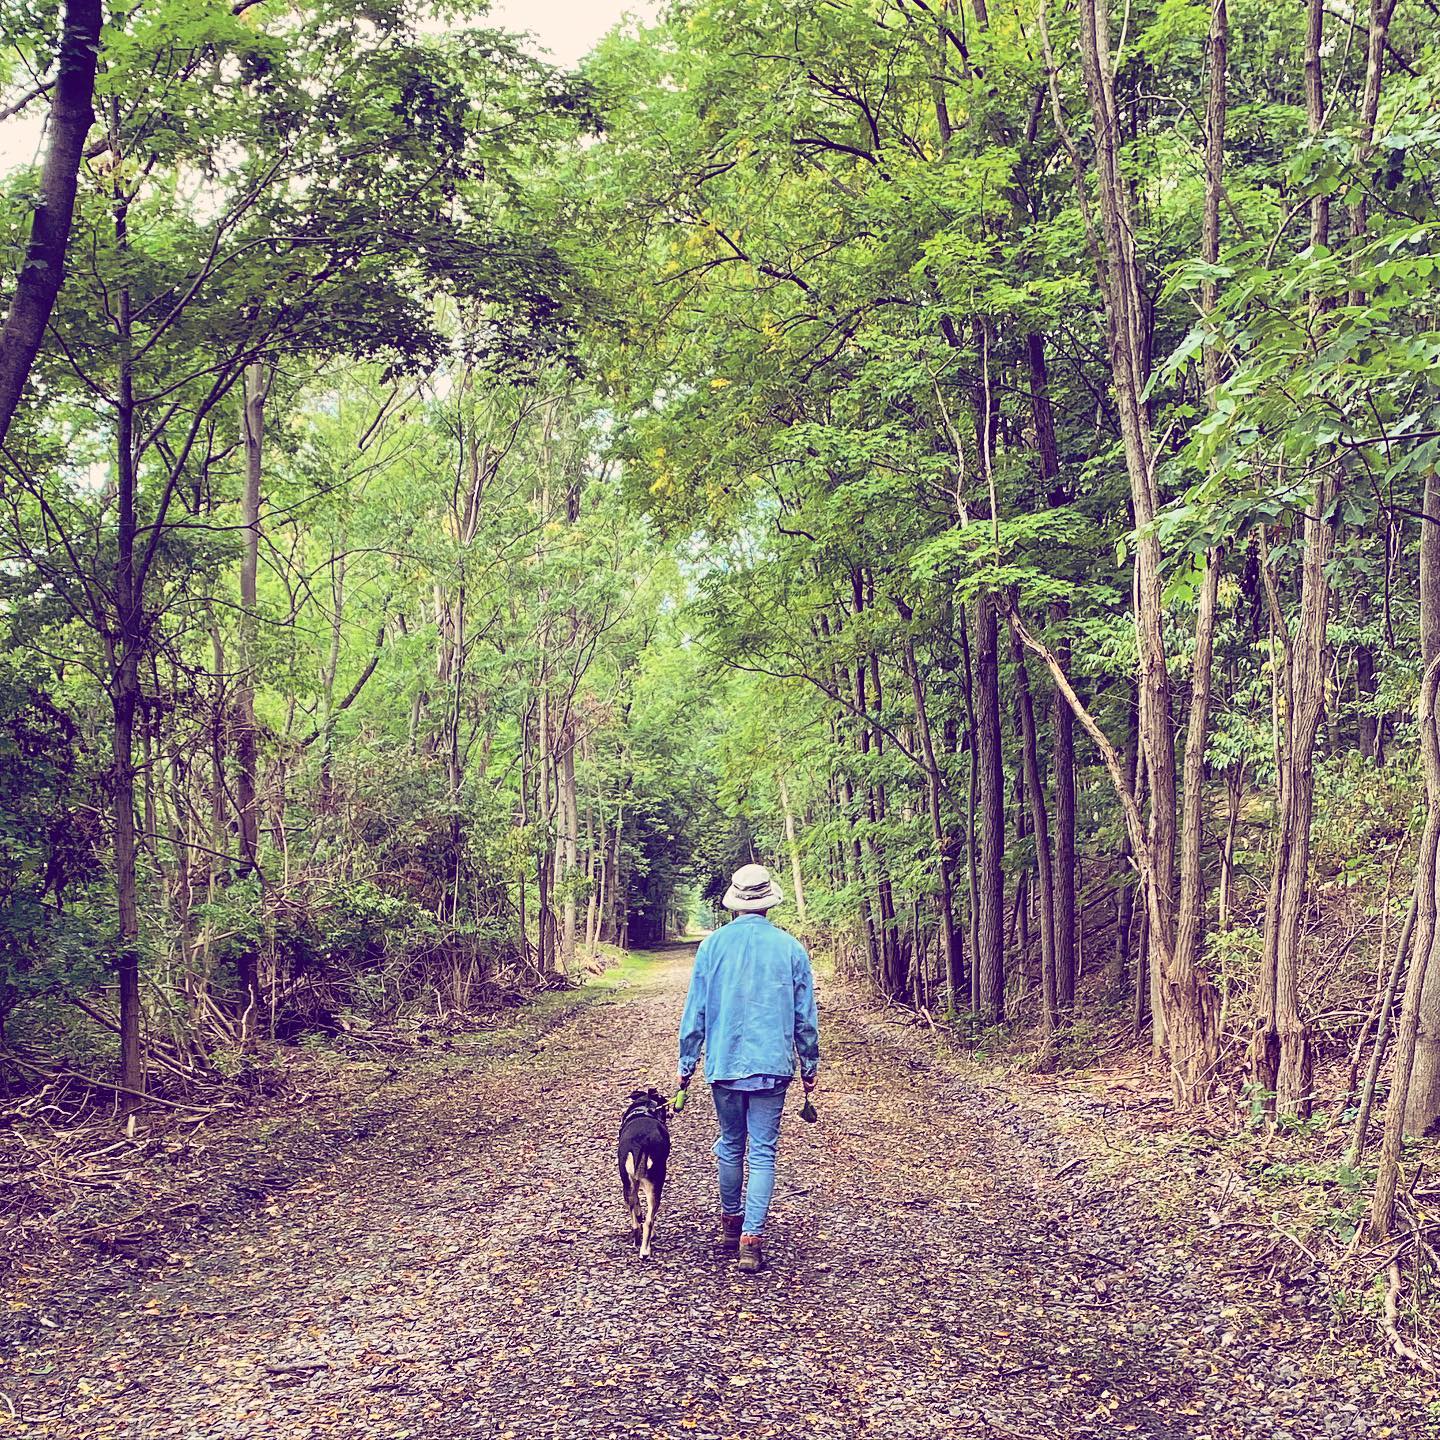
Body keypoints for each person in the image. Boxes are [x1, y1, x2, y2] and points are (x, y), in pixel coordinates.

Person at [676, 862, 820, 1273]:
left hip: (723, 1065)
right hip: (772, 1066)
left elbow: (696, 1013)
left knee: (730, 1143)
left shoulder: (712, 947)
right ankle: (751, 1240)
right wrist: (809, 1064)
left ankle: (729, 1223)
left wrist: (686, 1066)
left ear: (735, 902)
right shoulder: (791, 948)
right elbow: (804, 1016)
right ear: (769, 901)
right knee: (763, 1152)